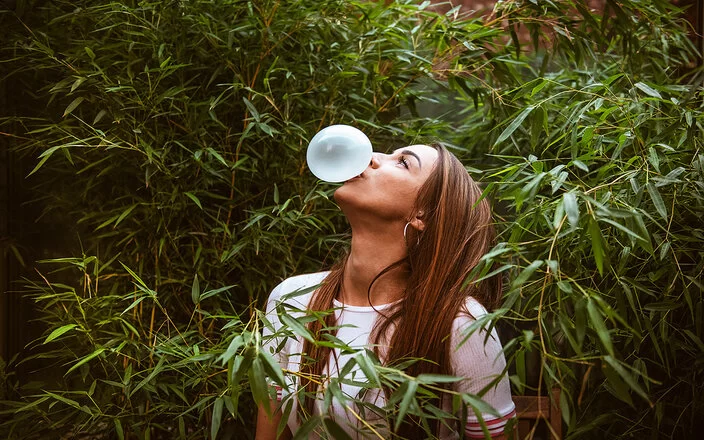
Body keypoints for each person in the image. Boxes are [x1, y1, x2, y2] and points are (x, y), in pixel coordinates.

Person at [256, 144, 516, 439]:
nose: (371, 157)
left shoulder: (460, 322)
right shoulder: (291, 299)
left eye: (403, 162)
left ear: (423, 215)